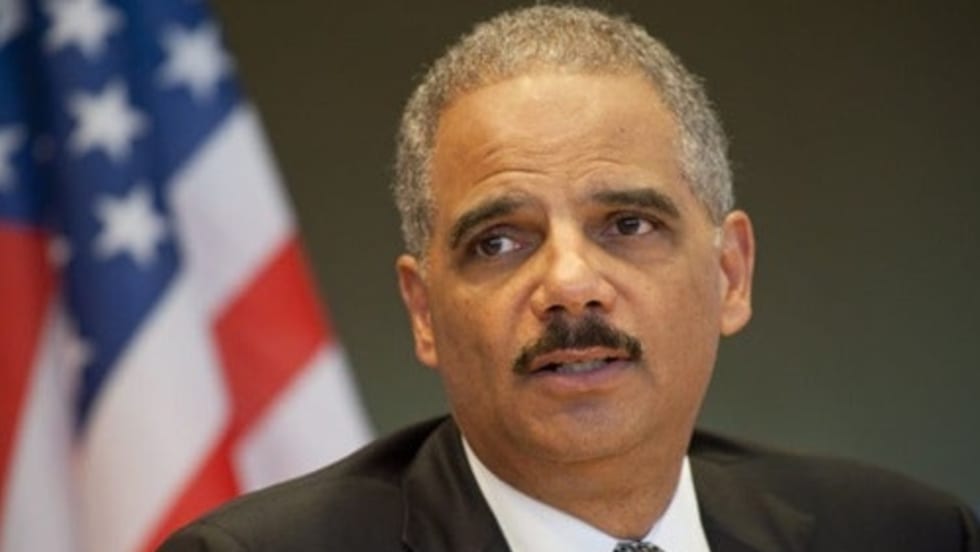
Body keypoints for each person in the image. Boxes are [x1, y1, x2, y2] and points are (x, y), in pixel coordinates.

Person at [159, 5, 979, 551]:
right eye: (498, 242)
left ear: (730, 274)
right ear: (424, 312)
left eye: (628, 224)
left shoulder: (908, 535)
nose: (571, 283)